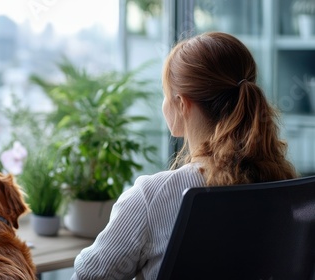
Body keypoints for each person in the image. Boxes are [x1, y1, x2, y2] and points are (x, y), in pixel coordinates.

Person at [71, 31, 297, 280]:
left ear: (182, 103)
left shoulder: (152, 197)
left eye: (165, 94)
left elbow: (89, 276)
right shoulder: (281, 184)